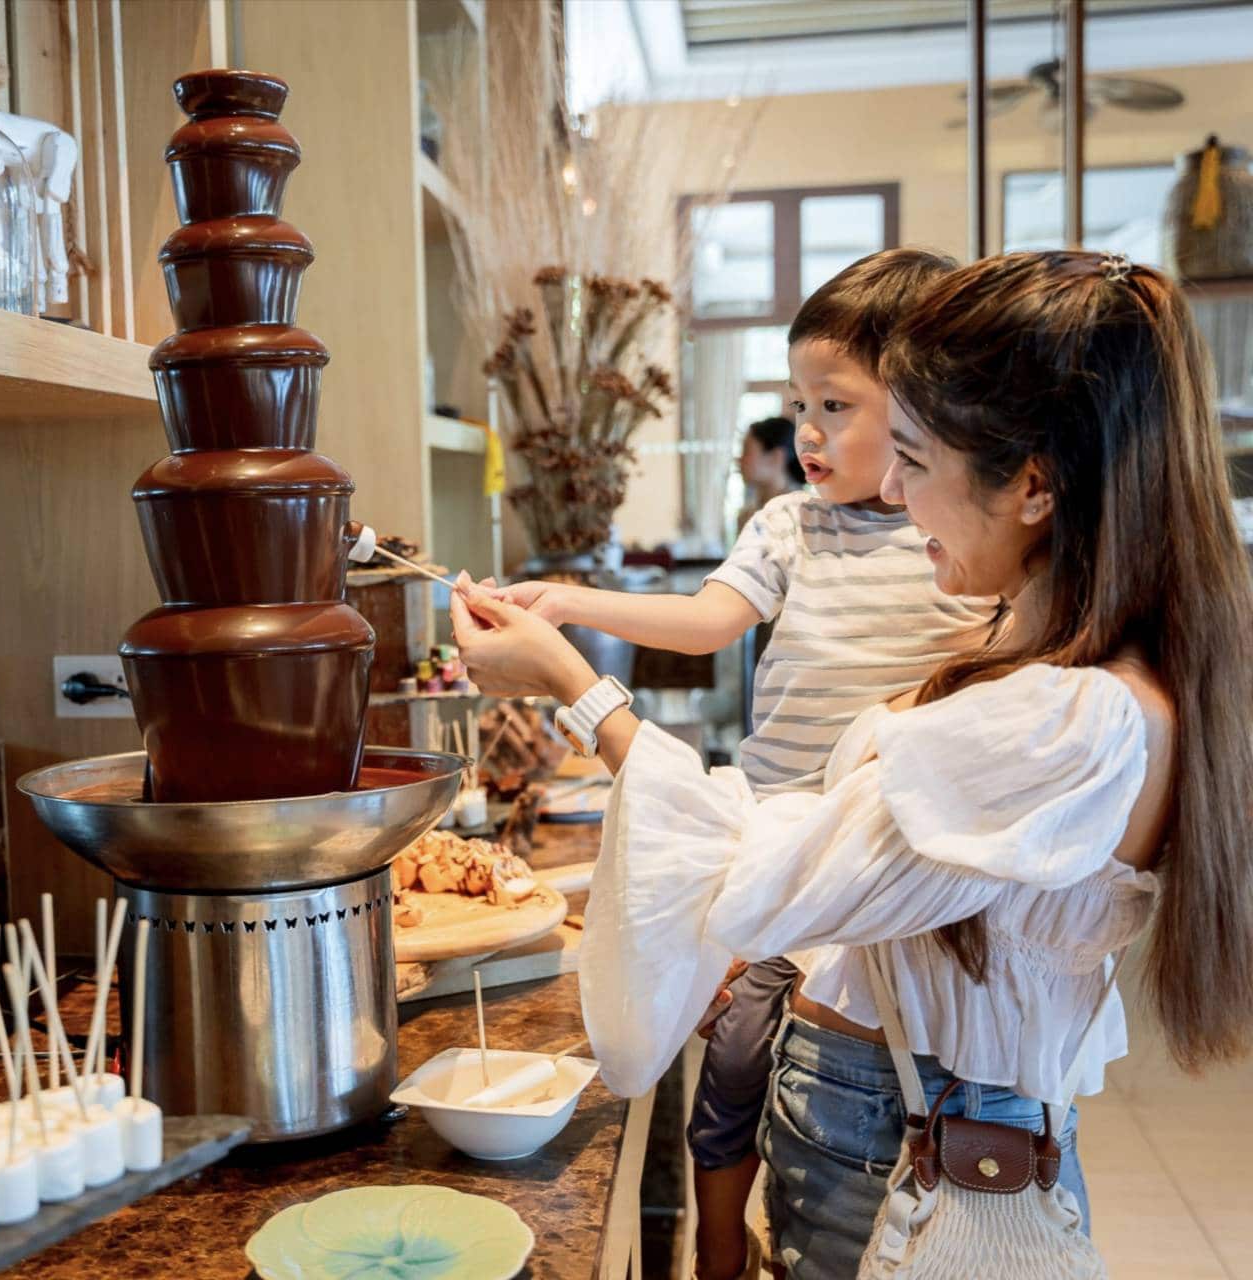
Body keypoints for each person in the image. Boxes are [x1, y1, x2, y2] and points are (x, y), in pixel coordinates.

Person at [450, 250, 1253, 1279]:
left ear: (1034, 484)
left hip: (899, 1137)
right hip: (879, 1112)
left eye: (913, 463)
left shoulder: (1075, 719)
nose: (898, 506)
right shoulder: (1045, 657)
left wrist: (572, 682)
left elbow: (753, 872)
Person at [496, 248, 997, 1280]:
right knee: (727, 1053)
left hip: (868, 848)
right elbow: (700, 618)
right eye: (795, 405)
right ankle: (720, 1245)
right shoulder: (789, 523)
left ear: (922, 403)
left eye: (834, 405)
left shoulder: (958, 536)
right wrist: (568, 601)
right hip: (762, 834)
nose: (806, 434)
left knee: (850, 1058)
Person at [737, 416, 805, 531]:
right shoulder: (747, 514)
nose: (739, 460)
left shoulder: (800, 512)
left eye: (746, 451)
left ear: (776, 457)